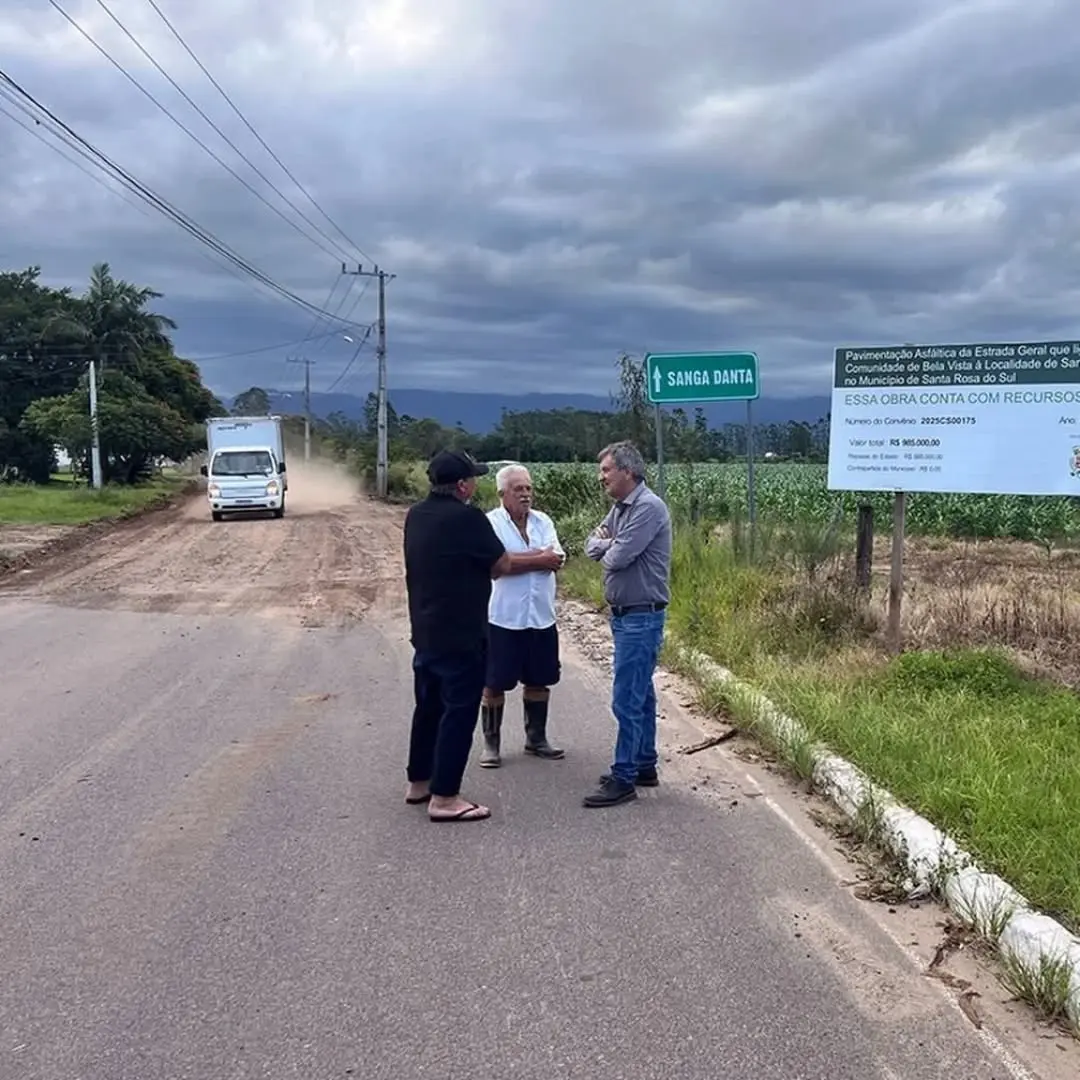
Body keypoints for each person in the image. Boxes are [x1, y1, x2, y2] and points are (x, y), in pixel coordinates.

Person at [402, 448, 512, 823]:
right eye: (474, 478)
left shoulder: (416, 515)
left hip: (425, 629)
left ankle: (420, 781)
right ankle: (445, 797)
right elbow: (501, 565)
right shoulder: (470, 519)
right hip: (462, 633)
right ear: (463, 486)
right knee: (459, 713)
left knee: (428, 707)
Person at [582, 440, 672, 808]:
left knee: (626, 699)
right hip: (625, 617)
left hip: (641, 616)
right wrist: (608, 543)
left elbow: (616, 558)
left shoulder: (647, 508)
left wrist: (610, 544)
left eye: (606, 470)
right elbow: (591, 546)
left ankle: (624, 777)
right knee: (641, 694)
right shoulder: (621, 508)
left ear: (628, 472)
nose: (601, 477)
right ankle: (643, 764)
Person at [479, 464, 567, 769]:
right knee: (494, 681)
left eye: (528, 488)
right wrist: (538, 558)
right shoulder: (489, 523)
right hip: (503, 617)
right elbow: (494, 566)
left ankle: (536, 738)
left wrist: (516, 560)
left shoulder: (544, 521)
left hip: (541, 615)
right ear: (502, 493)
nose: (526, 494)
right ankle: (491, 745)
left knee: (540, 678)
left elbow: (556, 559)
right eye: (519, 489)